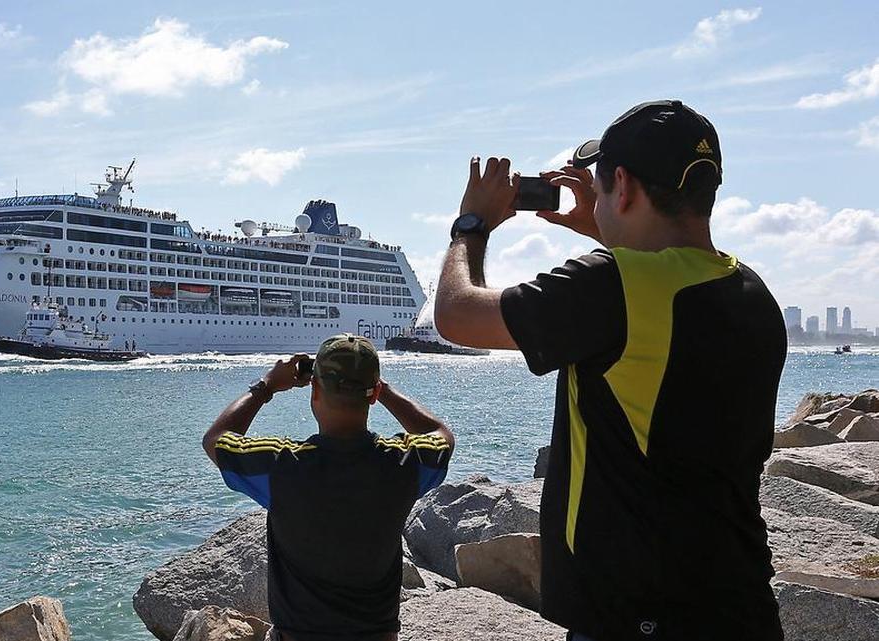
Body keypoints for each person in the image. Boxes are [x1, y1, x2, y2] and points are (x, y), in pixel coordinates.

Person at [434, 100, 785, 641]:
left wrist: (471, 225)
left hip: (635, 615)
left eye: (598, 186)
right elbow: (659, 297)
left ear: (621, 184)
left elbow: (457, 315)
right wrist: (607, 226)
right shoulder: (750, 291)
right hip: (738, 599)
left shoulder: (611, 285)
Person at [202, 334, 454, 641]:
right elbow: (441, 434)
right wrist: (381, 389)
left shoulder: (282, 466)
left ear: (315, 389)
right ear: (372, 394)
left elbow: (216, 439)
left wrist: (266, 386)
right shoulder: (404, 463)